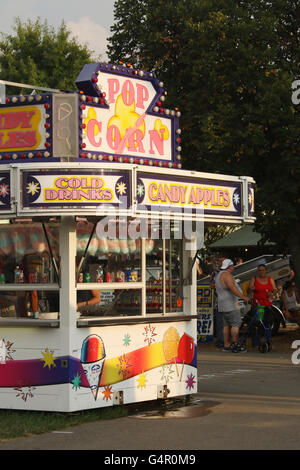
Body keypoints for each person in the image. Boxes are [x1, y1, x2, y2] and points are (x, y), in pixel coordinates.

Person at [215, 259, 250, 352]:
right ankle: (235, 345)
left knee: (226, 325)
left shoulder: (218, 275)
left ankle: (226, 345)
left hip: (222, 305)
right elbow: (232, 288)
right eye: (232, 266)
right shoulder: (227, 275)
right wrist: (243, 297)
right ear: (230, 266)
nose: (233, 267)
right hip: (231, 304)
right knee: (235, 324)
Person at [210, 254, 226, 349]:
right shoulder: (215, 273)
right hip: (219, 300)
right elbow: (211, 286)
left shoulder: (229, 272)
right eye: (220, 261)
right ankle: (220, 341)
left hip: (229, 300)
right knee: (220, 322)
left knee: (228, 322)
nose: (221, 263)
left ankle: (227, 341)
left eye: (223, 261)